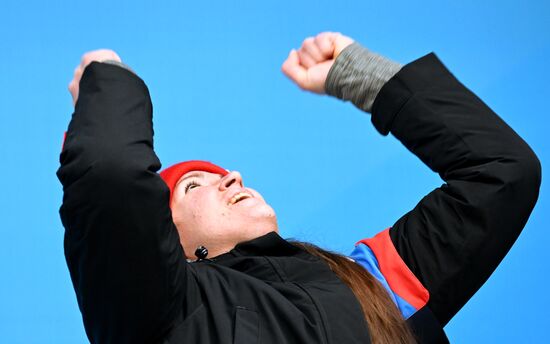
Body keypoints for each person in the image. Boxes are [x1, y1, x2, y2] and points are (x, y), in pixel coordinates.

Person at [58, 32, 541, 344]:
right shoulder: (158, 312)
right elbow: (112, 173)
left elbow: (501, 172)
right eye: (191, 187)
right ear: (171, 247)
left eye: (224, 171)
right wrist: (107, 82)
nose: (232, 176)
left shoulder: (372, 282)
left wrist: (364, 79)